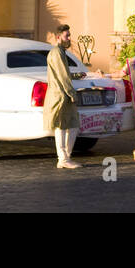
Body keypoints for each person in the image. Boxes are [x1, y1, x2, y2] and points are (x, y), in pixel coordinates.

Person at [43, 24, 81, 169]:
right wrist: (72, 93)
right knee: (62, 127)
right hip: (60, 95)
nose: (69, 38)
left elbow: (65, 73)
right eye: (67, 35)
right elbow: (62, 75)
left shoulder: (60, 52)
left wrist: (77, 75)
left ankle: (66, 157)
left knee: (71, 125)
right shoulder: (57, 53)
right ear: (59, 37)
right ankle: (63, 159)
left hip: (62, 94)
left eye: (69, 35)